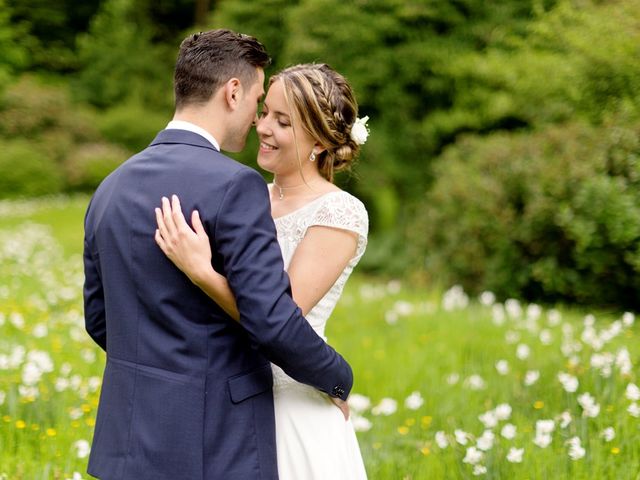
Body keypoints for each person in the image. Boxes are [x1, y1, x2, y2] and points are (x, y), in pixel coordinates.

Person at [82, 30, 354, 480]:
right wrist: (338, 376)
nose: (257, 121)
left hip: (127, 441)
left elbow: (99, 318)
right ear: (232, 92)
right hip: (215, 442)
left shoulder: (112, 186)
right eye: (258, 102)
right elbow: (272, 320)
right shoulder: (236, 186)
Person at [155, 63, 369, 479]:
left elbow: (280, 317)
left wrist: (203, 271)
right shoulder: (244, 192)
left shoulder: (339, 213)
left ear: (321, 142)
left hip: (291, 400)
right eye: (265, 112)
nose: (263, 127)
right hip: (224, 390)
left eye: (283, 122)